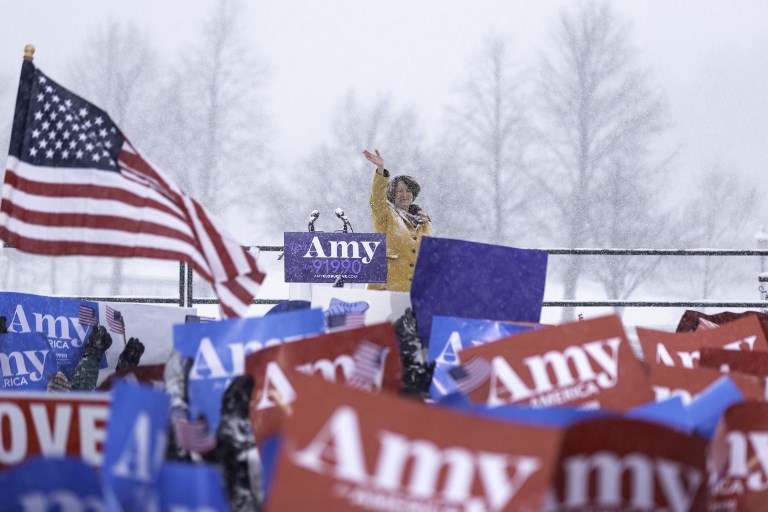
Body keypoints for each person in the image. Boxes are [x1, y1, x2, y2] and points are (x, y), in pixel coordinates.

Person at [363, 149, 431, 292]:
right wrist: (381, 170)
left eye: (408, 190)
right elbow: (376, 199)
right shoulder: (385, 215)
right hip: (386, 292)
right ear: (393, 195)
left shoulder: (424, 222)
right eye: (399, 191)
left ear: (414, 194)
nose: (404, 194)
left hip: (415, 294)